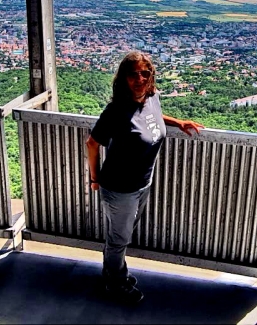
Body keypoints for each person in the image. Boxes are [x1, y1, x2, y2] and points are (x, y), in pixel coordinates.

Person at [86, 51, 203, 304]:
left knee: (122, 235)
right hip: (119, 188)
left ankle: (113, 273)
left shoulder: (151, 97)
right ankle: (115, 284)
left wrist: (178, 122)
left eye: (145, 73)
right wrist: (94, 179)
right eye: (133, 74)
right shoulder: (116, 111)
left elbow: (153, 119)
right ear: (123, 78)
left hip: (142, 183)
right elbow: (92, 143)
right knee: (119, 239)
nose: (140, 79)